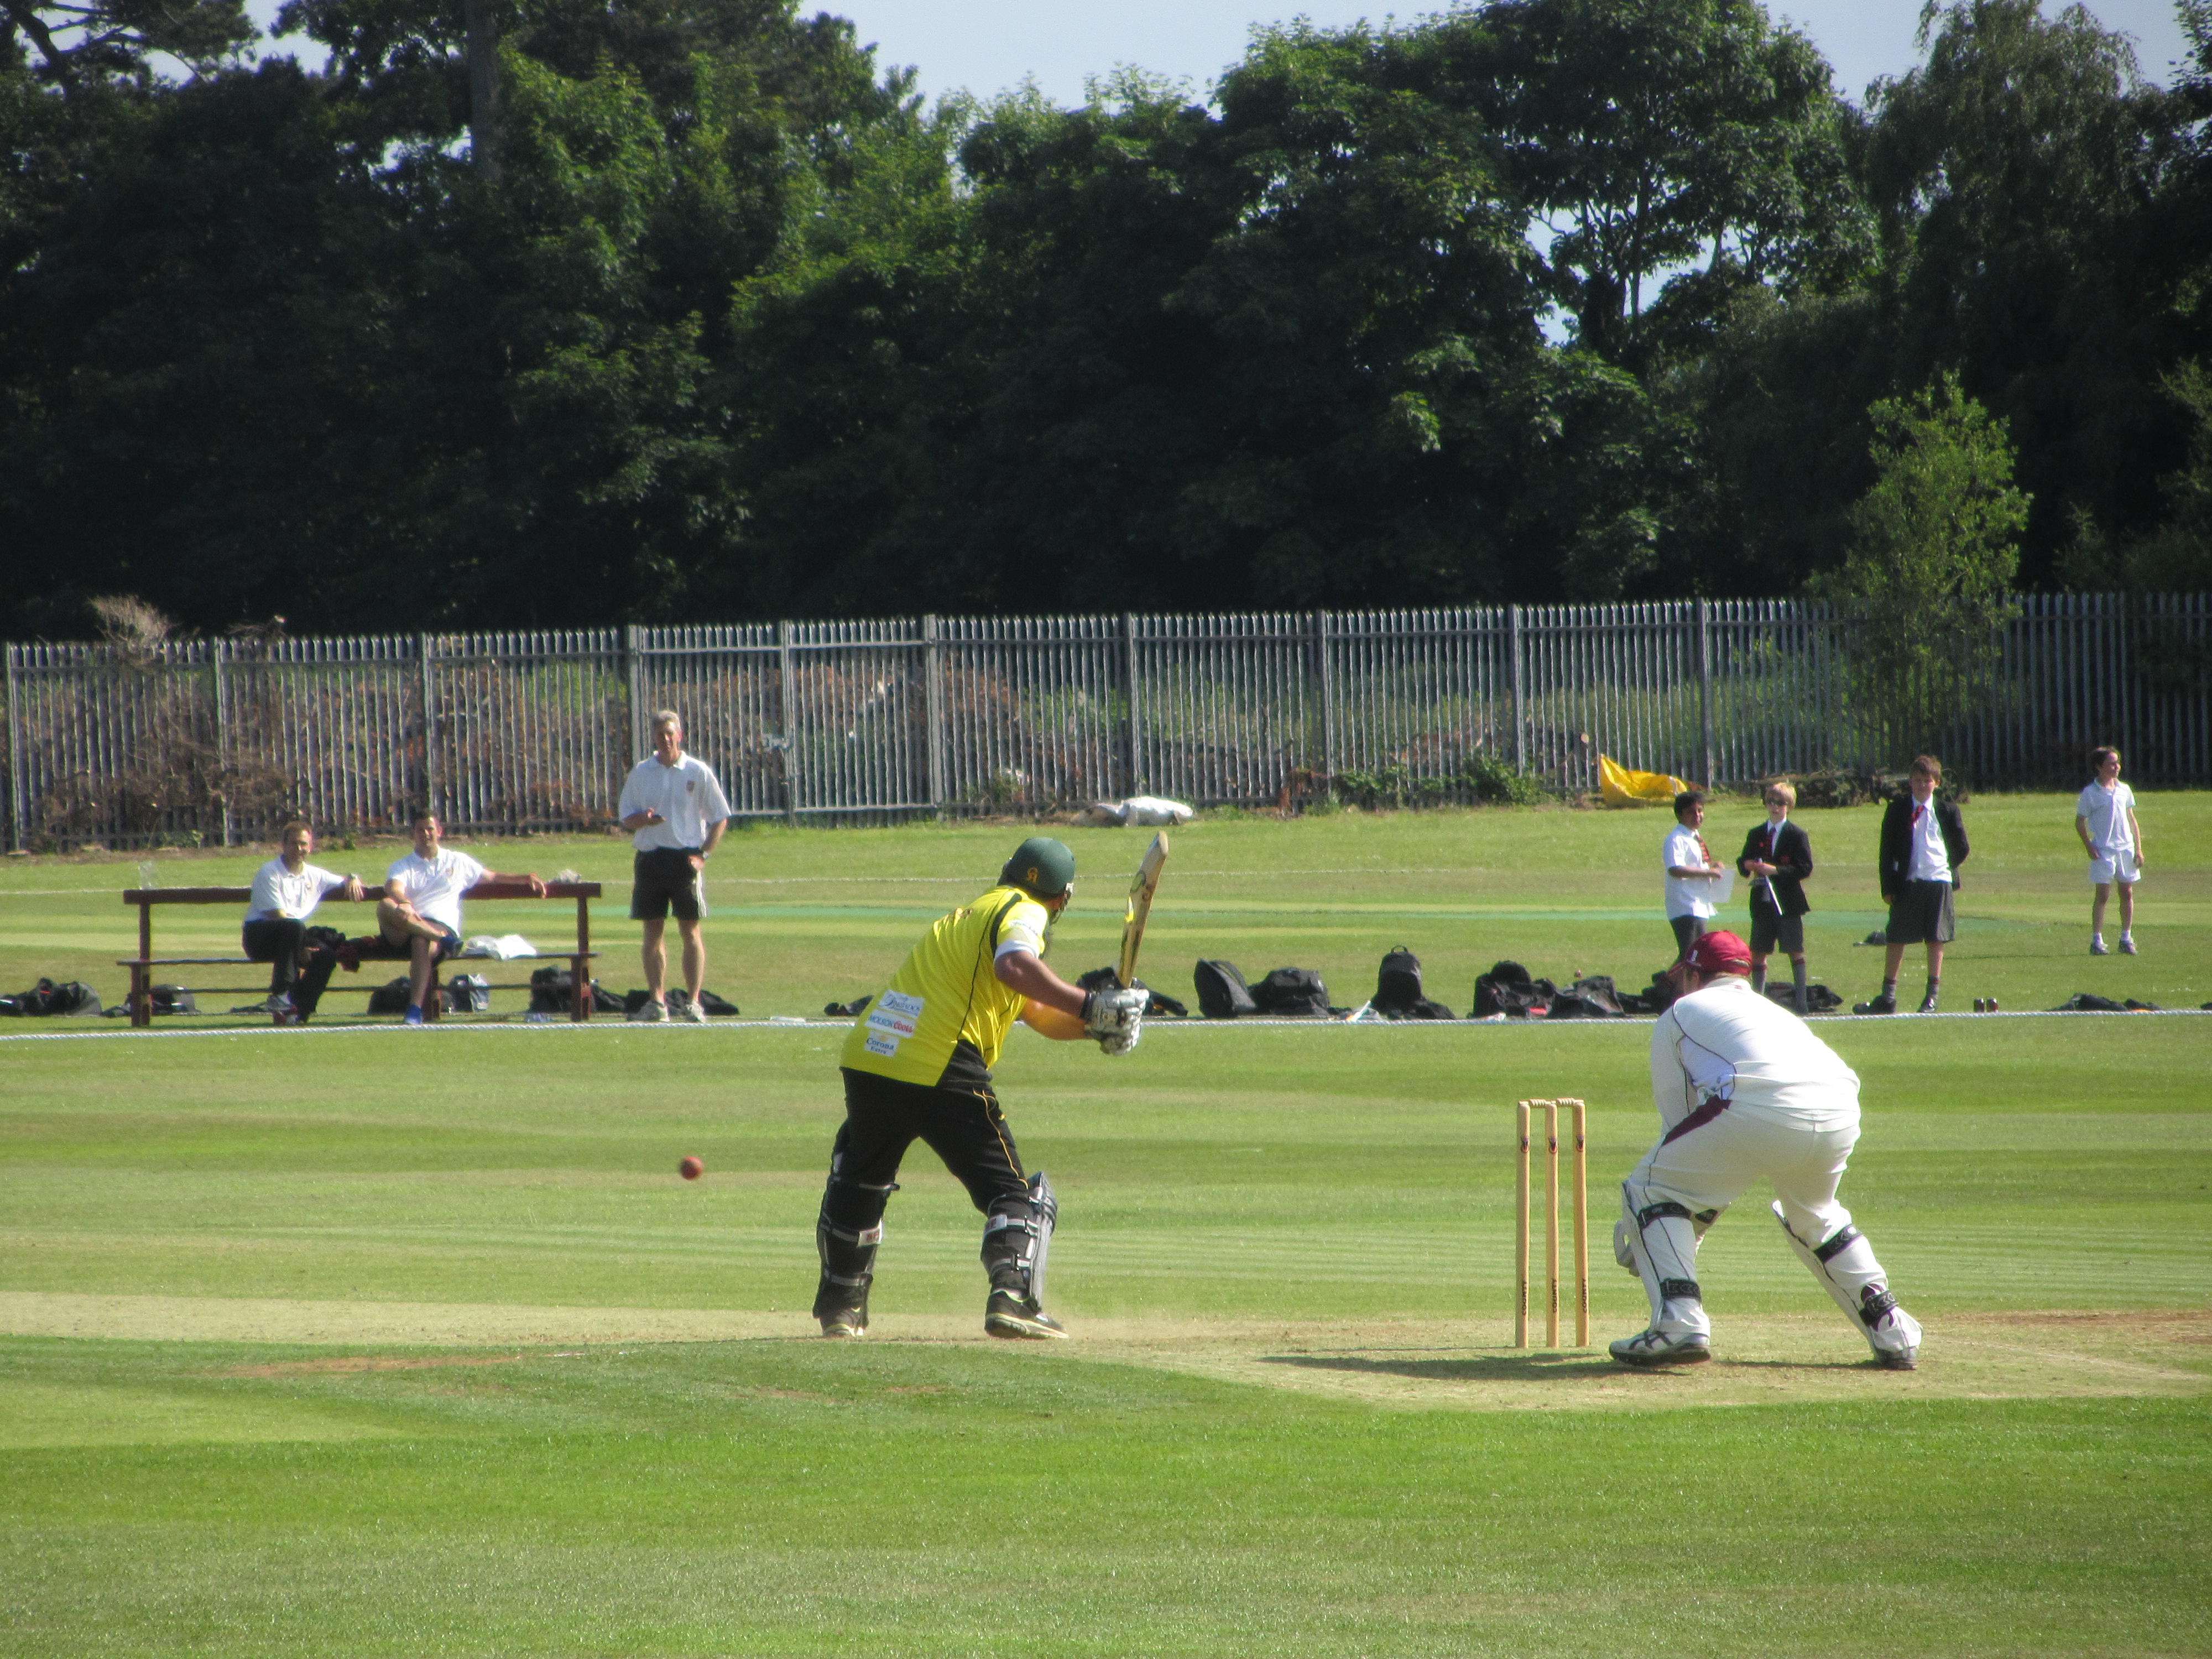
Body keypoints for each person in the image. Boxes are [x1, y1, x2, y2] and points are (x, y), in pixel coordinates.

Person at [810, 837, 1148, 1341]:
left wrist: (1096, 1027)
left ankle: (841, 1308)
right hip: (940, 1060)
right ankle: (1012, 1297)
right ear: (1064, 898)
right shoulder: (1025, 910)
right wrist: (1088, 1004)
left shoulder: (970, 915)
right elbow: (1014, 966)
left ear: (1006, 869)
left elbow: (1033, 1009)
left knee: (861, 1179)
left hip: (872, 1056)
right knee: (1016, 1195)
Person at [1610, 929, 1922, 1370]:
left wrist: (1666, 1233)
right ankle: (1892, 1328)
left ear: (1695, 975)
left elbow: (1680, 1129)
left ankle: (1679, 1321)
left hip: (1759, 1102)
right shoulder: (1774, 1012)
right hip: (1839, 1105)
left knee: (1649, 1188)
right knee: (1814, 1213)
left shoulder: (1681, 1012)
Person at [368, 813, 546, 1025]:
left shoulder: (457, 861)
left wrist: (525, 878)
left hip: (438, 928)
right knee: (386, 905)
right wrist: (404, 902)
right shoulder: (403, 865)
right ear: (413, 834)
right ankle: (442, 940)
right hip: (405, 928)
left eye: (430, 829)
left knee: (421, 941)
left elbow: (492, 877)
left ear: (439, 832)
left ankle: (414, 1010)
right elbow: (393, 888)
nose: (426, 835)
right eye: (420, 830)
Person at [617, 709, 732, 1022]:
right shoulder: (642, 773)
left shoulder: (697, 770)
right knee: (652, 931)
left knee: (690, 931)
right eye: (660, 734)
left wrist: (703, 855)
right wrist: (646, 821)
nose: (666, 739)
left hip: (685, 860)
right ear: (653, 737)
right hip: (651, 858)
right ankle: (657, 1003)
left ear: (679, 735)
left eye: (671, 733)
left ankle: (694, 1002)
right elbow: (627, 816)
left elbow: (721, 816)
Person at [1855, 756, 1969, 1015]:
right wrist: (1888, 887)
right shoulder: (1897, 810)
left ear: (1936, 783)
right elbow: (1886, 850)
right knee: (1896, 936)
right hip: (1908, 881)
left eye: (1927, 781)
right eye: (1917, 781)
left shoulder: (1948, 811)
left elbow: (1962, 847)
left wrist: (1944, 865)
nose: (1922, 785)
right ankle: (1888, 996)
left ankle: (1931, 996)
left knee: (1935, 937)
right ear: (1910, 782)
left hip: (1938, 880)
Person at [242, 821, 365, 1025]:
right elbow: (278, 916)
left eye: (304, 844)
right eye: (294, 844)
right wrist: (301, 944)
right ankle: (279, 995)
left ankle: (298, 1013)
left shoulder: (314, 874)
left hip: (293, 937)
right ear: (284, 845)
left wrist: (353, 878)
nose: (299, 849)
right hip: (260, 937)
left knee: (325, 955)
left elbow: (343, 880)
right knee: (294, 926)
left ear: (311, 846)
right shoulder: (269, 872)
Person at [1738, 781, 1814, 1014]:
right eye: (1770, 802)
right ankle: (1757, 1001)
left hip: (1788, 901)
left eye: (1780, 803)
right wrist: (1748, 865)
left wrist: (1777, 871)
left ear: (1789, 806)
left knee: (1794, 948)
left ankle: (1801, 1002)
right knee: (1759, 949)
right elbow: (1744, 861)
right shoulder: (1757, 833)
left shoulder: (1796, 835)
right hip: (1762, 899)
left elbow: (1805, 868)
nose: (1774, 807)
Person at [2076, 747, 2143, 956]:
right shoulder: (2091, 793)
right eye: (2111, 764)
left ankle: (2126, 937)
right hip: (2104, 850)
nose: (2116, 767)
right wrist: (2089, 847)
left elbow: (2132, 819)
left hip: (2126, 848)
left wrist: (2138, 849)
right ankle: (2097, 940)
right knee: (2103, 895)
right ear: (2099, 767)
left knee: (2127, 892)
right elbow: (2080, 822)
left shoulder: (2124, 789)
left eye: (2117, 763)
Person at [1662, 789, 1725, 961]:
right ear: (1680, 815)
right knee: (1690, 954)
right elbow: (1675, 869)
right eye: (1691, 812)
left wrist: (1713, 867)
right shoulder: (1676, 839)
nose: (1697, 816)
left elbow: (1697, 864)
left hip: (1698, 902)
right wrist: (1707, 872)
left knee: (1696, 954)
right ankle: (1665, 986)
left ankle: (1673, 986)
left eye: (1700, 810)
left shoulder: (1694, 837)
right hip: (1684, 903)